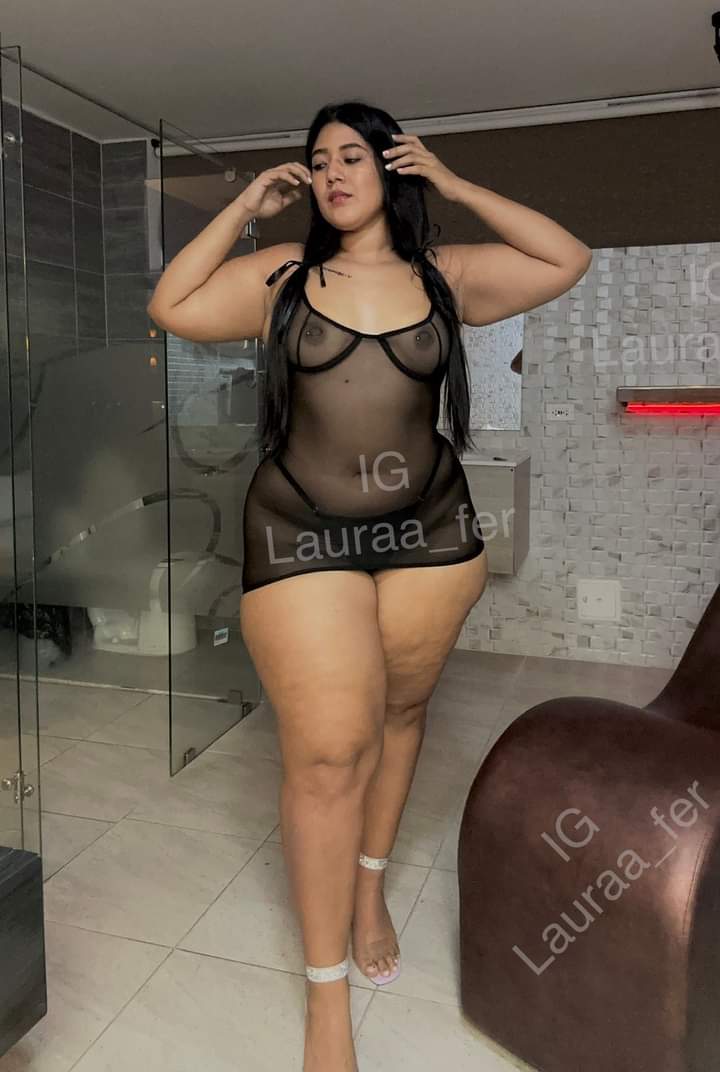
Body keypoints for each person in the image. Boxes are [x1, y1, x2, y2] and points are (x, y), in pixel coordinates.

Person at [148, 100, 591, 1072]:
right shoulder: (284, 278)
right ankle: (326, 998)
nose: (334, 173)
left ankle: (367, 886)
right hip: (301, 528)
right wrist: (245, 207)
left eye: (354, 155)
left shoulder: (445, 277)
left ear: (392, 169)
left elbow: (566, 256)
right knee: (325, 752)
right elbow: (172, 305)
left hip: (428, 530)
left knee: (398, 714)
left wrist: (456, 183)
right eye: (319, 161)